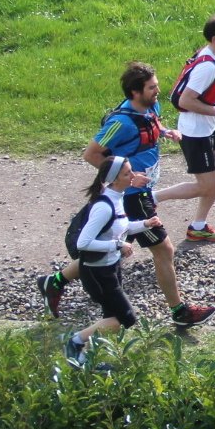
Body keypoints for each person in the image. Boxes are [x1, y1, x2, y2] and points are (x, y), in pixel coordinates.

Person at [40, 62, 215, 328]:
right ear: (135, 92)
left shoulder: (150, 107)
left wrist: (166, 132)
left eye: (156, 85)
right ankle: (179, 311)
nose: (158, 91)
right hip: (130, 196)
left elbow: (152, 126)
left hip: (140, 192)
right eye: (152, 87)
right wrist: (128, 178)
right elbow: (92, 154)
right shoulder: (120, 122)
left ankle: (54, 282)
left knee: (112, 250)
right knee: (164, 249)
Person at [153, 15, 215, 243]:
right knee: (206, 186)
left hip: (207, 129)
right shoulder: (207, 66)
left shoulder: (210, 56)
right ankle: (152, 198)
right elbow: (185, 101)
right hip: (195, 134)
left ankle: (198, 226)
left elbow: (206, 94)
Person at [59, 157, 158, 368]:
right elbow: (83, 243)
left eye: (131, 171)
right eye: (127, 174)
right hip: (98, 273)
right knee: (125, 319)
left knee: (111, 316)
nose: (133, 176)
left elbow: (121, 226)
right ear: (114, 179)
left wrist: (145, 224)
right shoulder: (104, 207)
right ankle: (74, 343)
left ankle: (89, 359)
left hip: (111, 268)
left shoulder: (116, 196)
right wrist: (117, 246)